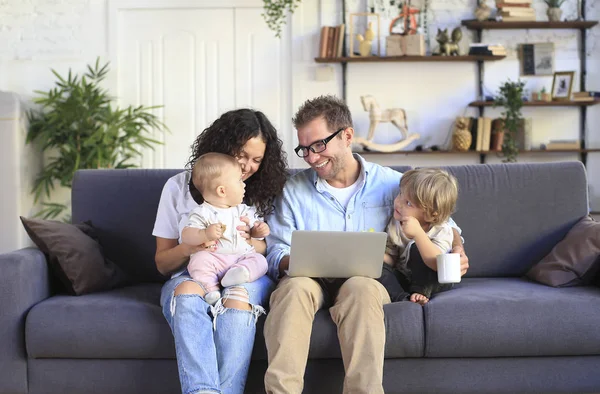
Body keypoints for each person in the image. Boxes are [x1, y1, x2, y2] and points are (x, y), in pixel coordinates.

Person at [263, 95, 469, 394]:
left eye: (318, 145)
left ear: (347, 136)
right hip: (308, 280)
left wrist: (459, 249)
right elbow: (276, 250)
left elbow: (445, 223)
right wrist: (299, 261)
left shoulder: (391, 183)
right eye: (304, 149)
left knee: (361, 287)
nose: (310, 157)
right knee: (293, 290)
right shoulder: (293, 191)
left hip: (366, 281)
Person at [153, 108, 287, 394]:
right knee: (187, 295)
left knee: (237, 299)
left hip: (244, 271)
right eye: (242, 156)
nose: (248, 167)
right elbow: (163, 263)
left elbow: (268, 249)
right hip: (196, 270)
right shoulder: (176, 188)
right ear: (223, 147)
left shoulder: (260, 192)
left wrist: (250, 241)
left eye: (256, 160)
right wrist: (190, 246)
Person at [182, 152, 271, 306]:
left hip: (242, 258)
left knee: (260, 261)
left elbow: (254, 233)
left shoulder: (243, 210)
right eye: (239, 181)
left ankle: (239, 274)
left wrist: (257, 231)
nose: (244, 185)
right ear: (222, 191)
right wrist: (204, 234)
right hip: (214, 259)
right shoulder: (202, 212)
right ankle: (211, 289)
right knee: (198, 261)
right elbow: (187, 235)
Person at [378, 168, 460, 305]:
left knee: (417, 248)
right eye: (400, 194)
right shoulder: (396, 223)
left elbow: (436, 264)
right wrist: (375, 257)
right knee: (378, 269)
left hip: (434, 278)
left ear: (431, 214)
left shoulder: (442, 229)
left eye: (408, 203)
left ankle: (420, 291)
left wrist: (418, 234)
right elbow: (392, 258)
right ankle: (402, 297)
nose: (398, 203)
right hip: (406, 277)